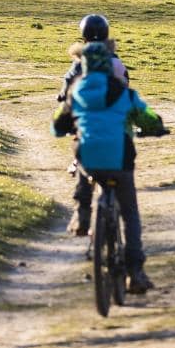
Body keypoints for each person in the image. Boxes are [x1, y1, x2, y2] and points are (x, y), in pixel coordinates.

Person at [53, 38, 167, 294]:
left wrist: (65, 125)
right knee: (130, 214)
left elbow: (57, 124)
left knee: (83, 161)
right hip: (120, 160)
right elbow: (146, 118)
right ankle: (135, 271)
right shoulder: (125, 94)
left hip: (90, 161)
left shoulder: (76, 92)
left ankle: (82, 211)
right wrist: (157, 126)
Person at [56, 15, 130, 235]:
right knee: (129, 203)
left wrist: (63, 99)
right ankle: (132, 259)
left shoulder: (79, 63)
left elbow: (67, 86)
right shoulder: (116, 63)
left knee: (82, 148)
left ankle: (82, 215)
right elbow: (127, 87)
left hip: (87, 127)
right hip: (116, 134)